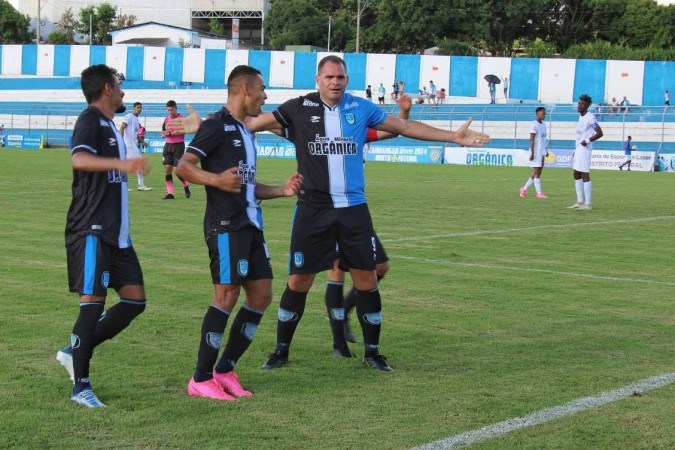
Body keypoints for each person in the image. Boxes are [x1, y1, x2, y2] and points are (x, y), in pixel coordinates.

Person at [173, 56, 489, 372]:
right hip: (313, 209)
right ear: (318, 79)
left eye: (340, 77)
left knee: (367, 277)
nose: (335, 82)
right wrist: (203, 126)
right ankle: (281, 351)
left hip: (353, 209)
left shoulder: (362, 109)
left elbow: (403, 126)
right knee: (298, 280)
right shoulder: (297, 108)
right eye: (329, 77)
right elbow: (248, 120)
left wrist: (452, 136)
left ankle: (373, 352)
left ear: (347, 79)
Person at [175, 65, 303, 401]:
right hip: (225, 225)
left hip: (250, 225)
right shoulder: (216, 126)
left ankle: (225, 368)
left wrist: (281, 190)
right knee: (226, 296)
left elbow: (245, 184)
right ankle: (200, 378)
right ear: (245, 89)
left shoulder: (246, 131)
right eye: (262, 88)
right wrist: (216, 180)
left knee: (260, 296)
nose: (265, 95)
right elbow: (183, 166)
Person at [55, 64, 152, 408]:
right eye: (119, 86)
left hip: (117, 234)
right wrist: (120, 164)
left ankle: (73, 351)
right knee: (91, 305)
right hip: (91, 229)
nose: (124, 92)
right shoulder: (90, 119)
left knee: (135, 300)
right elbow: (79, 159)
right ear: (107, 90)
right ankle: (81, 386)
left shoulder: (112, 124)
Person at [324, 94, 411, 355]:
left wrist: (403, 113)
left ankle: (348, 312)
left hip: (354, 211)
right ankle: (339, 342)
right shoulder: (317, 127)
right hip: (327, 210)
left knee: (380, 266)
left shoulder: (357, 129)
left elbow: (391, 132)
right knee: (336, 270)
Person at [567, 94, 603, 211]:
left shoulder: (590, 117)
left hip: (585, 149)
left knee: (584, 175)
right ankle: (579, 201)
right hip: (578, 148)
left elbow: (599, 133)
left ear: (587, 106)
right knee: (576, 174)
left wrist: (586, 141)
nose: (579, 105)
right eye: (579, 103)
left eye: (582, 104)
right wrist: (575, 148)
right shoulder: (581, 117)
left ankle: (588, 204)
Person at [162, 100, 191, 199]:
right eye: (168, 110)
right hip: (168, 146)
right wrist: (163, 134)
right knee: (167, 170)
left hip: (178, 146)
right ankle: (170, 193)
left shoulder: (182, 119)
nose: (170, 112)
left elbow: (184, 131)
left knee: (176, 171)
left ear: (176, 108)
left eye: (172, 110)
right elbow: (163, 130)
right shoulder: (166, 119)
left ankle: (185, 184)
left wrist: (171, 133)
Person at [119, 102, 152, 191]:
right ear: (134, 108)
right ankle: (139, 185)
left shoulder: (136, 120)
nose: (140, 109)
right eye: (138, 107)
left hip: (133, 145)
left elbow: (136, 134)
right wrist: (121, 141)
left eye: (141, 108)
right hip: (129, 145)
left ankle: (127, 185)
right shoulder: (129, 117)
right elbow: (122, 128)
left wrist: (142, 142)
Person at [519, 107, 548, 199]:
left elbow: (543, 139)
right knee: (537, 172)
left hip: (542, 151)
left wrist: (545, 151)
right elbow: (531, 139)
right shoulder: (534, 125)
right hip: (536, 151)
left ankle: (524, 189)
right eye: (543, 113)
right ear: (538, 113)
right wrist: (532, 152)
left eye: (545, 113)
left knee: (538, 172)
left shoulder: (544, 125)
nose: (544, 115)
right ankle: (539, 193)